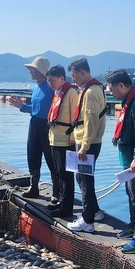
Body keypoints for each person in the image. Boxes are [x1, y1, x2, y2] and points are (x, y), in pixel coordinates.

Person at [107, 70, 135, 253]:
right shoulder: (127, 102)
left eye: (111, 89)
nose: (111, 93)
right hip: (127, 159)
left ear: (121, 86)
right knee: (131, 195)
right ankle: (134, 225)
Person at [9, 57, 60, 201]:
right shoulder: (36, 87)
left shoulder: (51, 87)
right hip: (35, 123)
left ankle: (57, 190)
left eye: (32, 69)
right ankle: (34, 186)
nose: (30, 72)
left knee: (51, 158)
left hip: (48, 125)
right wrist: (22, 107)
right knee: (32, 154)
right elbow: (36, 108)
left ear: (40, 71)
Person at [65, 58, 106, 232]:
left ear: (83, 72)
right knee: (84, 178)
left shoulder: (89, 92)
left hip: (87, 142)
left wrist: (85, 145)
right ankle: (94, 211)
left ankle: (87, 221)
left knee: (84, 180)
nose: (73, 79)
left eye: (74, 75)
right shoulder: (94, 88)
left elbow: (90, 120)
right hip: (87, 140)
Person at [45, 65, 79, 217]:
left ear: (61, 78)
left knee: (66, 176)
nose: (50, 83)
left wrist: (73, 139)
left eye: (52, 80)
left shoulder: (71, 92)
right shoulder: (57, 93)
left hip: (65, 140)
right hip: (54, 139)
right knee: (59, 173)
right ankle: (62, 201)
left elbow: (75, 117)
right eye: (48, 80)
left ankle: (66, 207)